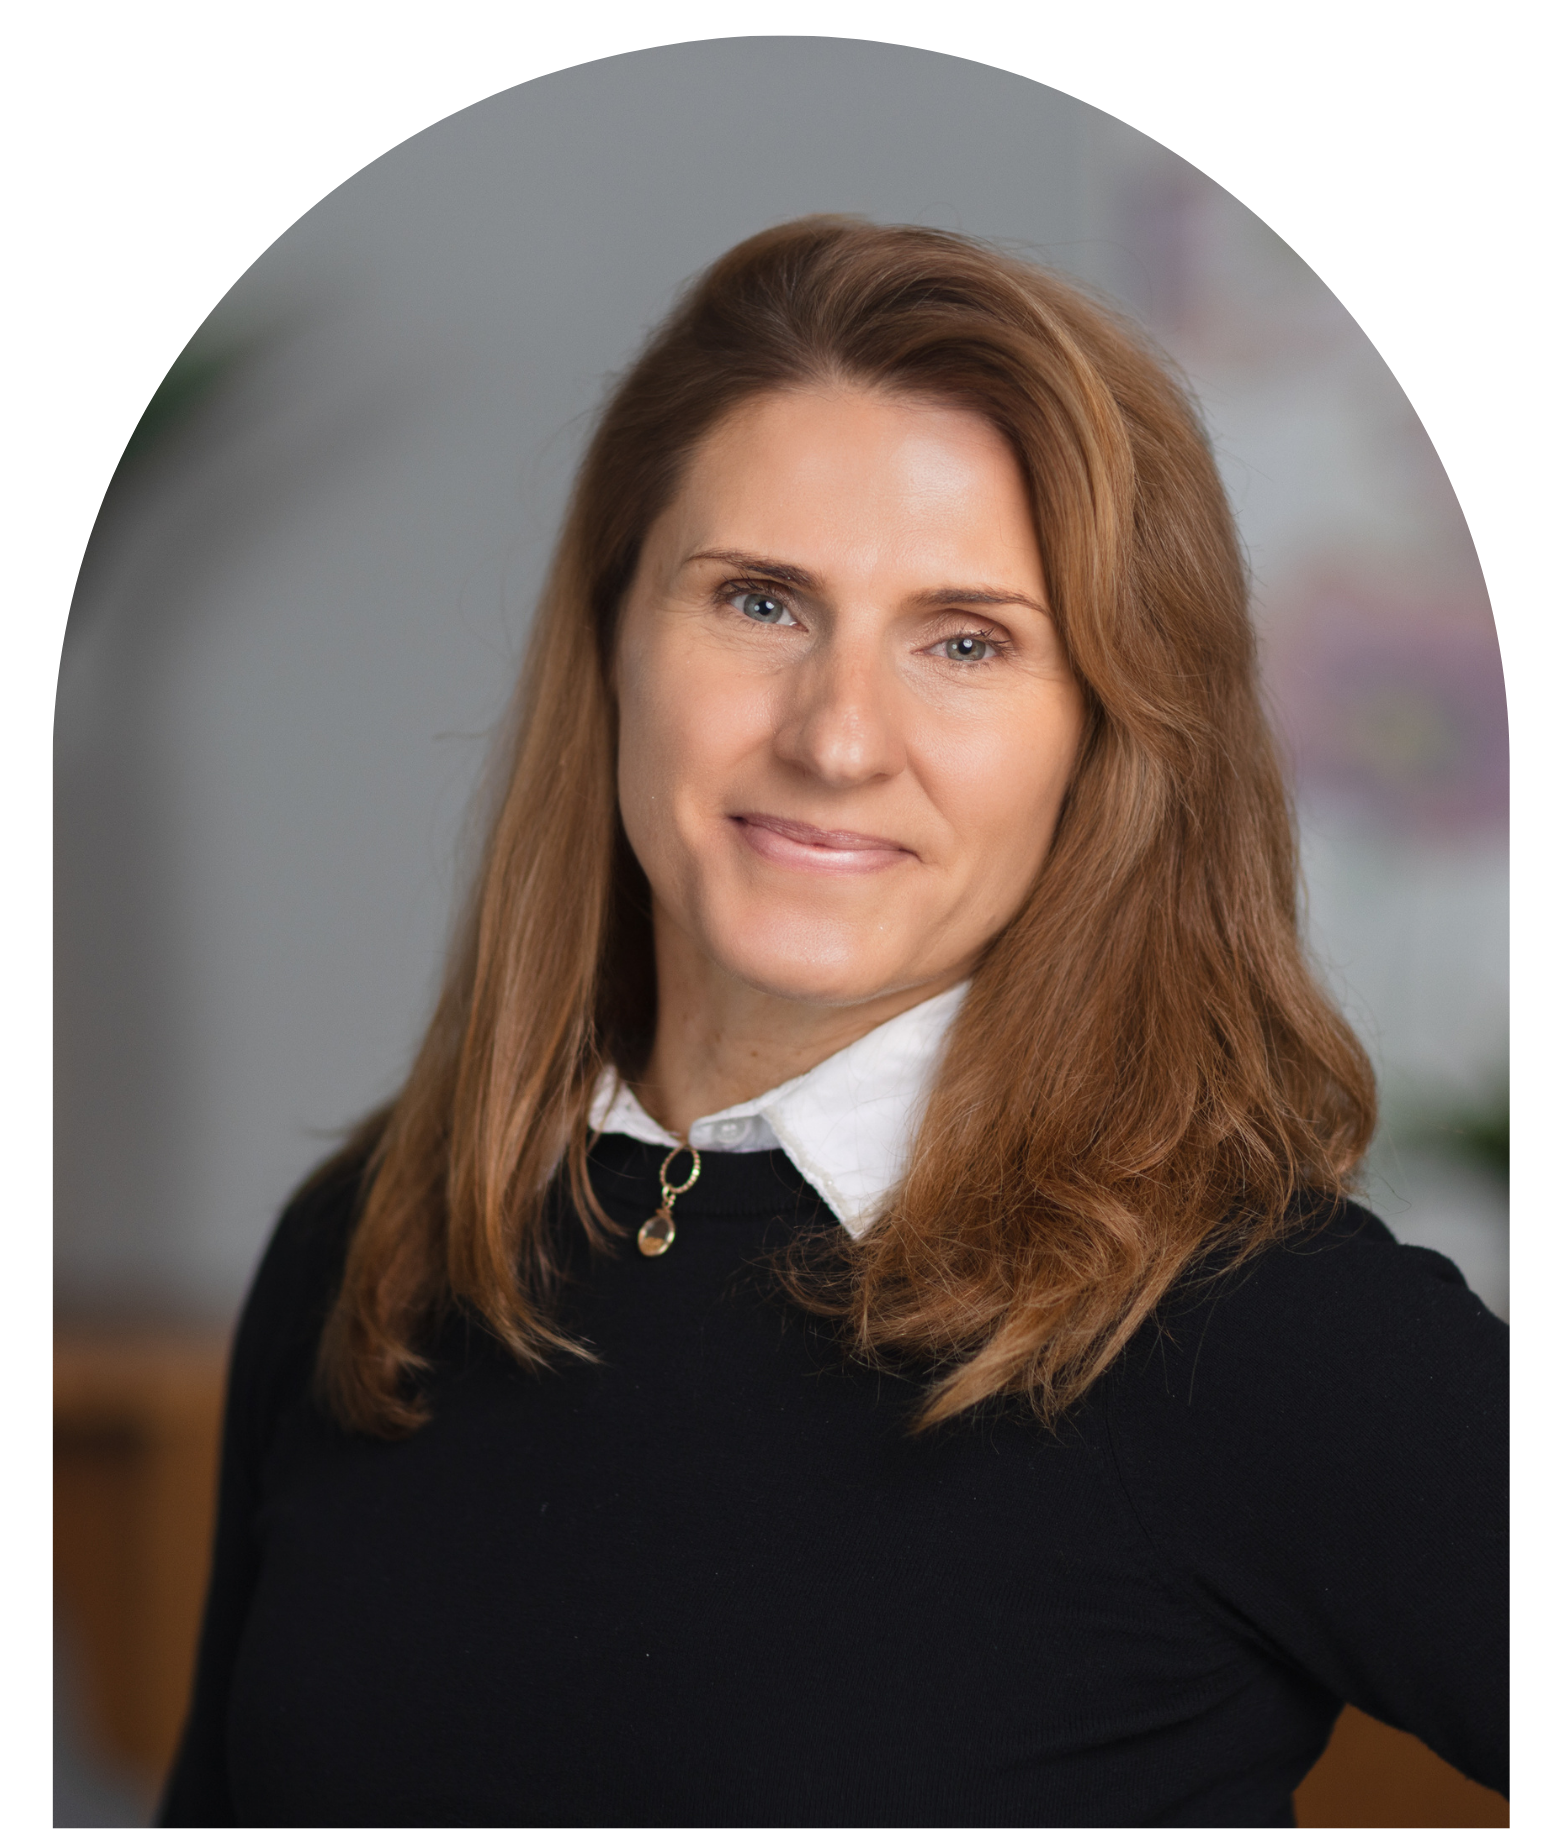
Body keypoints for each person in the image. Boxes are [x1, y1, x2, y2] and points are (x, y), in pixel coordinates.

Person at [158, 217, 1506, 1828]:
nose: (837, 738)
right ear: (610, 638)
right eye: (759, 603)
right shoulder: (373, 1246)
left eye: (966, 640)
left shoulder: (1248, 1330)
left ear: (1109, 739)